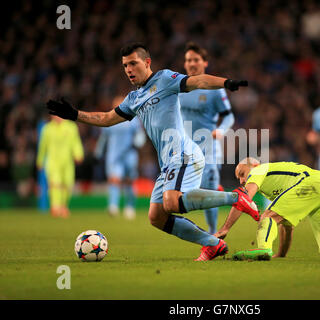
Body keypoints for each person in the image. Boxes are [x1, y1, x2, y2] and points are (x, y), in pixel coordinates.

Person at [46, 42, 258, 261]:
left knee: (171, 202)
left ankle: (236, 197)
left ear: (147, 63)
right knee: (157, 216)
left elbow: (198, 80)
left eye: (133, 63)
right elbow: (107, 118)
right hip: (168, 162)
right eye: (125, 65)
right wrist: (75, 114)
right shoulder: (133, 98)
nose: (129, 69)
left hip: (183, 153)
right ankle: (213, 244)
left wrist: (226, 82)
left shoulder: (165, 79)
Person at [179, 42, 235, 234]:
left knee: (208, 187)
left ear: (205, 63)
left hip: (208, 147)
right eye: (188, 60)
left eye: (195, 59)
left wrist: (221, 130)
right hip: (184, 148)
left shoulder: (214, 89)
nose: (191, 63)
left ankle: (212, 232)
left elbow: (229, 115)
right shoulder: (180, 87)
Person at [94, 95, 146, 219]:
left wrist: (139, 142)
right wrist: (99, 151)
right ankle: (113, 206)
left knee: (129, 181)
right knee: (114, 180)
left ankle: (130, 206)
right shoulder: (110, 119)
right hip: (114, 155)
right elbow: (104, 138)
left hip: (129, 155)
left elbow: (140, 134)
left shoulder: (132, 119)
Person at [36, 115, 84, 218]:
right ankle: (55, 206)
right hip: (52, 161)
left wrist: (78, 154)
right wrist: (40, 160)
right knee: (55, 183)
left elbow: (76, 142)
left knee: (67, 184)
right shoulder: (47, 128)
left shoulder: (71, 127)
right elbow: (43, 145)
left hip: (67, 161)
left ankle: (63, 206)